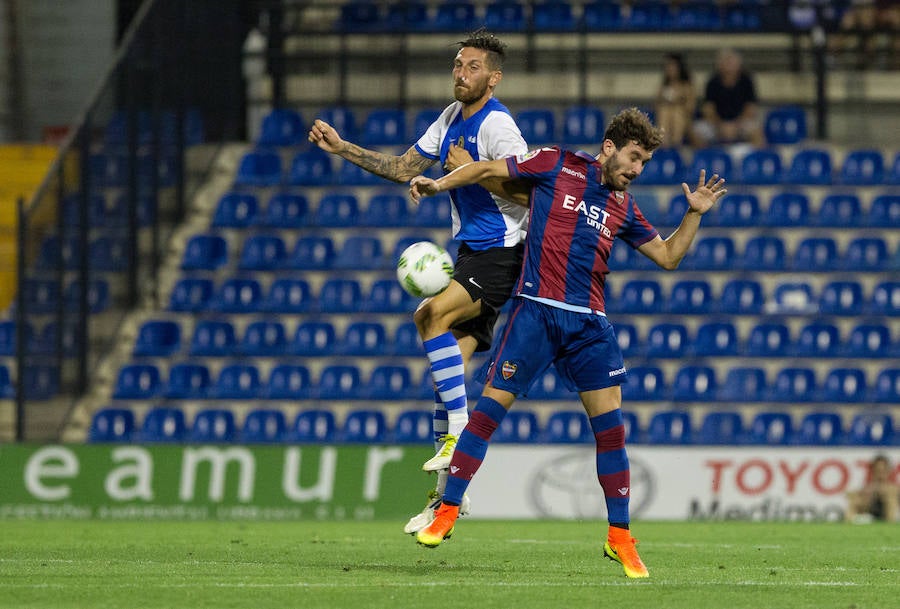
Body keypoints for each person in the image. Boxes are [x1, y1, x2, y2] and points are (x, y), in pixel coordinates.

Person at [408, 108, 727, 578]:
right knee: (487, 414)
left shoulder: (623, 206)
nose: (637, 170)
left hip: (589, 326)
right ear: (609, 148)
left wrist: (693, 215)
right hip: (535, 312)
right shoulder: (557, 164)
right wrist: (441, 183)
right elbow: (489, 170)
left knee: (611, 431)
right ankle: (448, 510)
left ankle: (620, 537)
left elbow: (667, 255)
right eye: (633, 158)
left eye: (644, 164)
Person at [307, 28, 529, 535]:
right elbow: (407, 165)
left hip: (502, 251)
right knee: (444, 372)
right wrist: (344, 149)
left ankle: (456, 435)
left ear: (493, 78)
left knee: (427, 315)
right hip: (473, 250)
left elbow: (531, 194)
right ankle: (447, 499)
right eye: (457, 64)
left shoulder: (499, 126)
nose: (460, 73)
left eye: (472, 67)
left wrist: (472, 170)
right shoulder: (451, 118)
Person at [690, 48, 764, 148]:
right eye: (726, 62)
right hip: (716, 123)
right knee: (695, 133)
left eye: (732, 63)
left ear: (738, 65)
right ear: (720, 65)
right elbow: (708, 109)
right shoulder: (712, 82)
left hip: (741, 122)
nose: (729, 66)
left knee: (757, 133)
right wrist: (720, 125)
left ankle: (753, 161)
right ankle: (706, 160)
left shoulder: (746, 81)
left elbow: (750, 108)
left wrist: (736, 125)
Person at [655, 52, 696, 148]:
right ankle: (664, 143)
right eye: (667, 66)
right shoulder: (663, 87)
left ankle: (676, 144)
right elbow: (657, 106)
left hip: (683, 121)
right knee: (664, 111)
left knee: (676, 113)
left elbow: (690, 108)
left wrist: (678, 101)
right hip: (666, 119)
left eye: (672, 66)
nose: (670, 69)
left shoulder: (687, 87)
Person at [846, 454, 899, 523]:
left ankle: (890, 524)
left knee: (890, 497)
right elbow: (852, 493)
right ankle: (849, 524)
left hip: (889, 513)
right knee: (855, 500)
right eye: (878, 470)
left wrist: (880, 491)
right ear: (873, 471)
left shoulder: (893, 486)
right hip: (871, 510)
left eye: (883, 470)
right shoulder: (869, 486)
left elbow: (893, 491)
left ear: (888, 470)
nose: (880, 474)